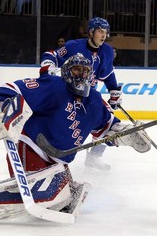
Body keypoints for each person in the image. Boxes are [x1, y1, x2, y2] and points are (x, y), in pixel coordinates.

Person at [0, 53, 151, 226]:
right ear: (66, 73)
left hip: (59, 161)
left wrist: (128, 134)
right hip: (32, 147)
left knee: (70, 195)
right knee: (53, 194)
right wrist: (9, 111)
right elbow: (12, 90)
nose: (81, 75)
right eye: (76, 70)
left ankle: (52, 195)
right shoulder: (54, 86)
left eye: (85, 71)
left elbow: (108, 128)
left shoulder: (95, 101)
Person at [40, 17, 122, 171]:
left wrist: (114, 91)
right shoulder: (73, 46)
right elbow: (51, 55)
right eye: (100, 31)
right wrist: (48, 65)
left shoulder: (107, 51)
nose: (103, 35)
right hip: (67, 91)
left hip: (88, 95)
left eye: (105, 32)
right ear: (91, 32)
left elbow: (108, 74)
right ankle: (44, 150)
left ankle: (93, 158)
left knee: (108, 119)